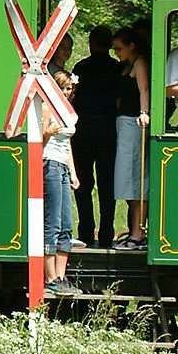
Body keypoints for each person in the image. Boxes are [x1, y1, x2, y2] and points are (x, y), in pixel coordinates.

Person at [71, 25, 121, 248]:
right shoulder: (116, 68)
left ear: (91, 43)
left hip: (83, 130)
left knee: (83, 183)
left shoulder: (81, 67)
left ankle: (85, 231)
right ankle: (108, 232)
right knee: (107, 183)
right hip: (109, 130)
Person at [42, 70, 82, 296]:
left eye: (69, 89)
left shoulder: (69, 112)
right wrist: (47, 132)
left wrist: (73, 173)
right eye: (63, 88)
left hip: (63, 167)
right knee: (53, 222)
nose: (67, 92)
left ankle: (61, 275)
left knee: (67, 223)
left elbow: (67, 145)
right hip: (49, 164)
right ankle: (50, 277)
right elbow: (37, 140)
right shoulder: (47, 108)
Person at [111, 27, 151, 251]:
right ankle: (135, 230)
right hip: (124, 125)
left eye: (119, 48)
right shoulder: (127, 65)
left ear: (131, 46)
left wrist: (144, 113)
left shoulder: (139, 63)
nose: (116, 52)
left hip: (133, 124)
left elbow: (143, 89)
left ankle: (138, 233)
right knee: (127, 181)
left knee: (135, 178)